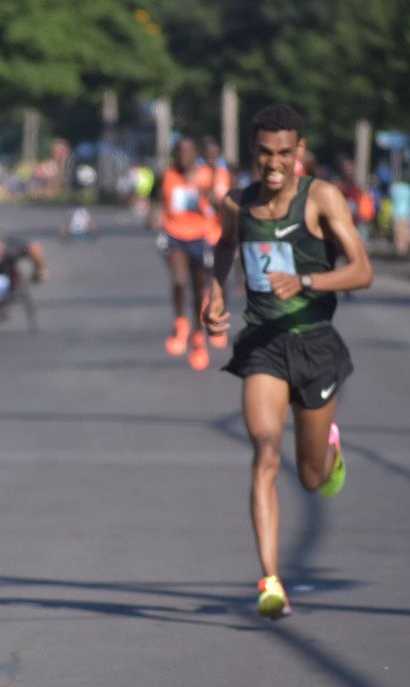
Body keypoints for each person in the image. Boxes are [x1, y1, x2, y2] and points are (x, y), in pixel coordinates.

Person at [202, 104, 373, 619]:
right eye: (264, 153)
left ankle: (330, 450)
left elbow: (362, 270)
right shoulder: (236, 203)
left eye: (283, 153)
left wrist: (307, 281)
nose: (273, 164)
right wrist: (215, 293)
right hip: (264, 344)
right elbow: (225, 247)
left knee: (311, 478)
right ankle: (270, 582)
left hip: (316, 345)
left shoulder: (321, 198)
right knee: (266, 452)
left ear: (299, 151)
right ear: (252, 152)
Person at [151, 136, 216, 370]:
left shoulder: (206, 175)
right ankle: (180, 322)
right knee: (179, 280)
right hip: (174, 235)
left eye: (188, 152)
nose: (183, 156)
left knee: (199, 291)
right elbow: (155, 197)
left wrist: (208, 198)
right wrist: (153, 215)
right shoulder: (166, 175)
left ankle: (198, 337)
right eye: (179, 152)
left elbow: (215, 203)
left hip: (200, 237)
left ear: (194, 154)